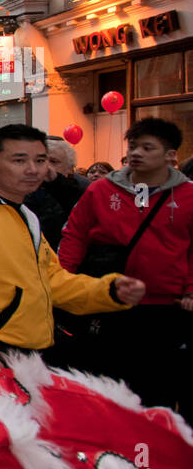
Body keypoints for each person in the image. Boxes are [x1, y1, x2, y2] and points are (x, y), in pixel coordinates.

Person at [0, 123, 145, 364]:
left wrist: (108, 291)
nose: (33, 169)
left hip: (33, 348)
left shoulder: (25, 213)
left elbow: (51, 279)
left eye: (41, 161)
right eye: (19, 161)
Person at [58, 118, 193, 408]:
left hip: (163, 306)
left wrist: (191, 290)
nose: (136, 153)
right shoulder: (100, 191)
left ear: (170, 155)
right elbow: (74, 235)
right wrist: (62, 281)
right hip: (107, 299)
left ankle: (151, 447)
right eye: (132, 146)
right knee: (105, 385)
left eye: (147, 148)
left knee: (156, 388)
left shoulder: (188, 196)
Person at [25, 136, 86, 249]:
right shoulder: (22, 190)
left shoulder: (81, 193)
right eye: (40, 161)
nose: (46, 167)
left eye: (53, 161)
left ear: (70, 168)